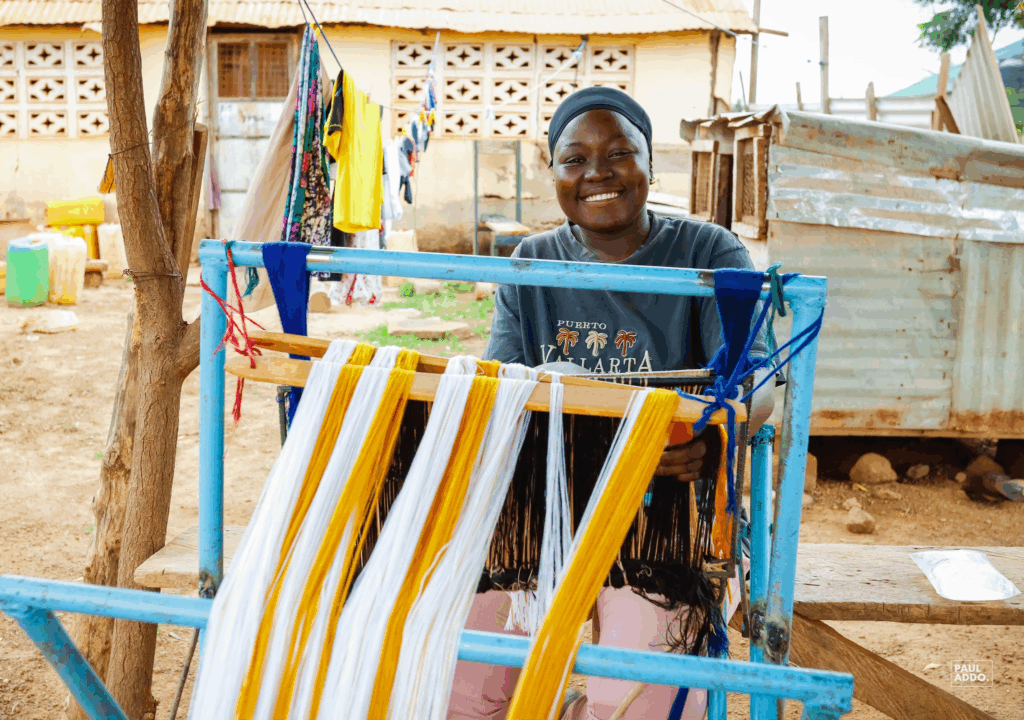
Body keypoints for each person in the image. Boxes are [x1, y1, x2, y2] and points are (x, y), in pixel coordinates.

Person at [446, 88, 776, 720]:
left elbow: (757, 379)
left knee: (632, 697)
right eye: (575, 159)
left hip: (664, 521)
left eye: (620, 153)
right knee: (468, 681)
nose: (597, 172)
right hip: (544, 512)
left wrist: (716, 432)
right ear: (554, 174)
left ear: (652, 165)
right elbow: (502, 382)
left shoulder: (709, 255)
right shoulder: (533, 263)